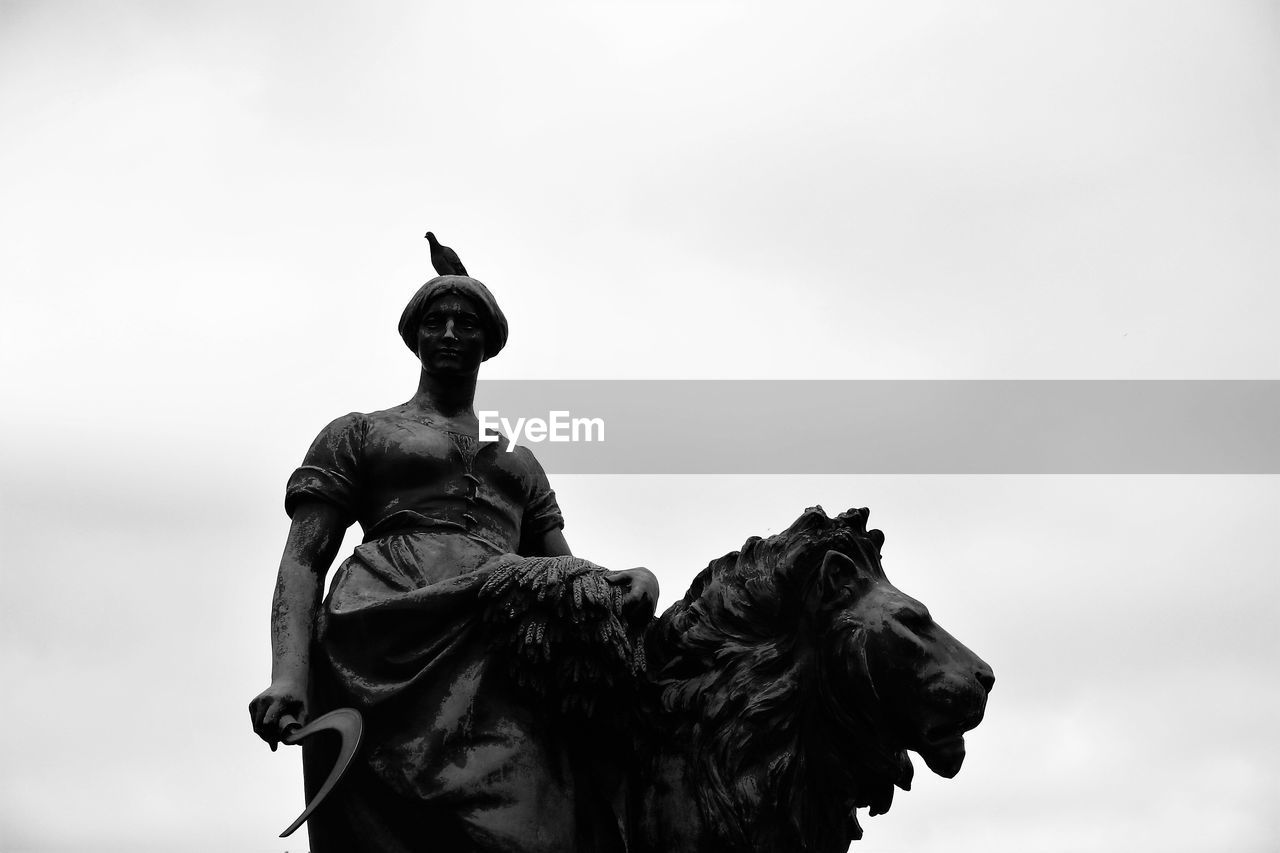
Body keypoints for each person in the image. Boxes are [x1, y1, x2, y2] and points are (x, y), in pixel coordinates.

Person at [248, 275, 659, 853]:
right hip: (381, 638)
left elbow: (557, 571)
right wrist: (288, 674)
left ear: (488, 342)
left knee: (530, 826)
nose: (448, 333)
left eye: (465, 322)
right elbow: (303, 560)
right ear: (413, 336)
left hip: (495, 643)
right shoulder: (360, 432)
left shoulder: (520, 462)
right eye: (434, 321)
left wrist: (625, 582)